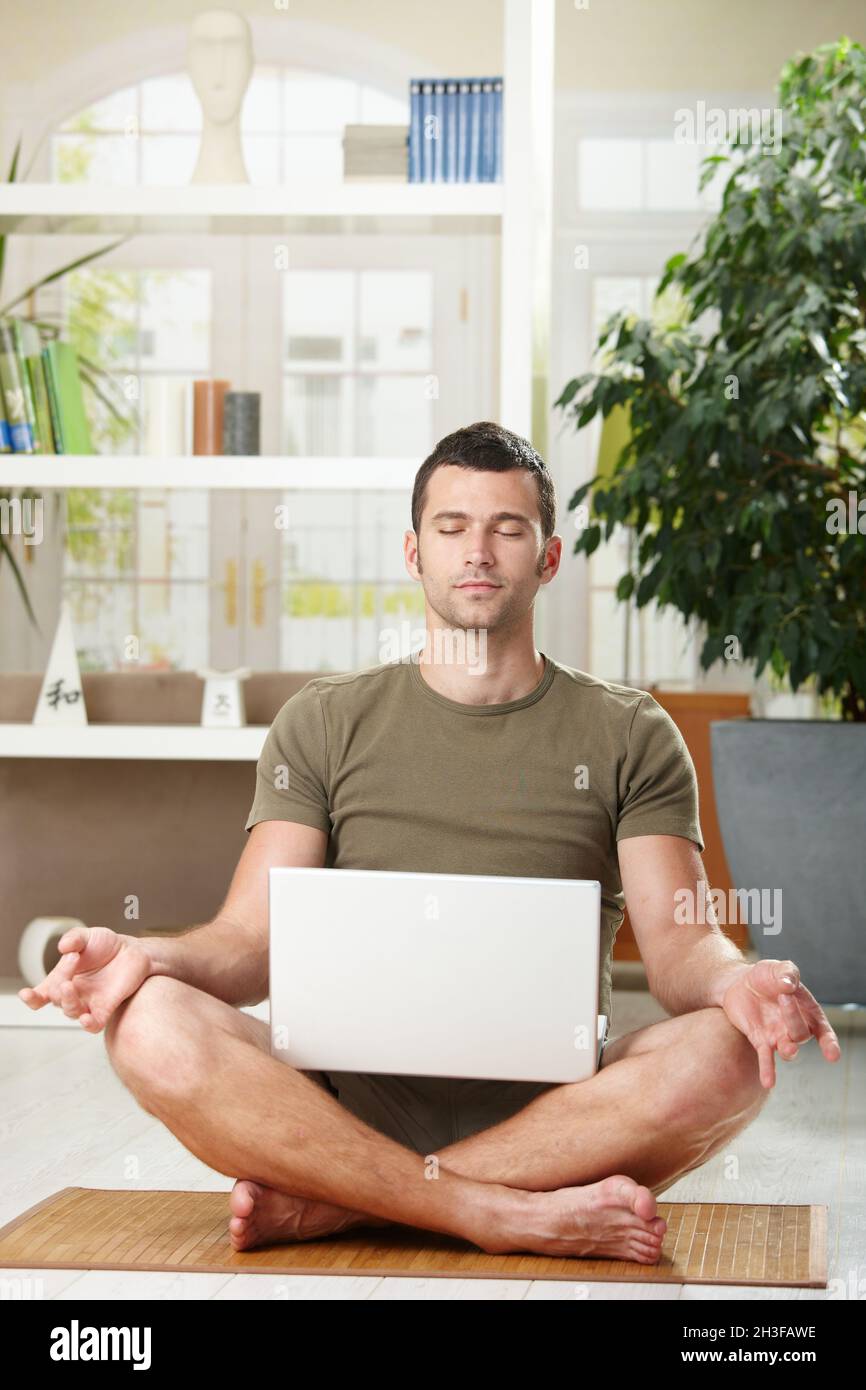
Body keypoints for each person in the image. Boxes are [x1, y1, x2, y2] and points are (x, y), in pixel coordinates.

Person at [20, 420, 841, 1262]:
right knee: (146, 1023)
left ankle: (352, 1204)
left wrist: (738, 977)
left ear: (549, 558)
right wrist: (147, 959)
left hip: (562, 1120)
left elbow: (678, 950)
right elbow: (247, 944)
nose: (477, 552)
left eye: (507, 529)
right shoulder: (326, 720)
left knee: (732, 1051)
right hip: (336, 1109)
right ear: (415, 553)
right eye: (452, 528)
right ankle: (493, 1212)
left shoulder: (631, 732)